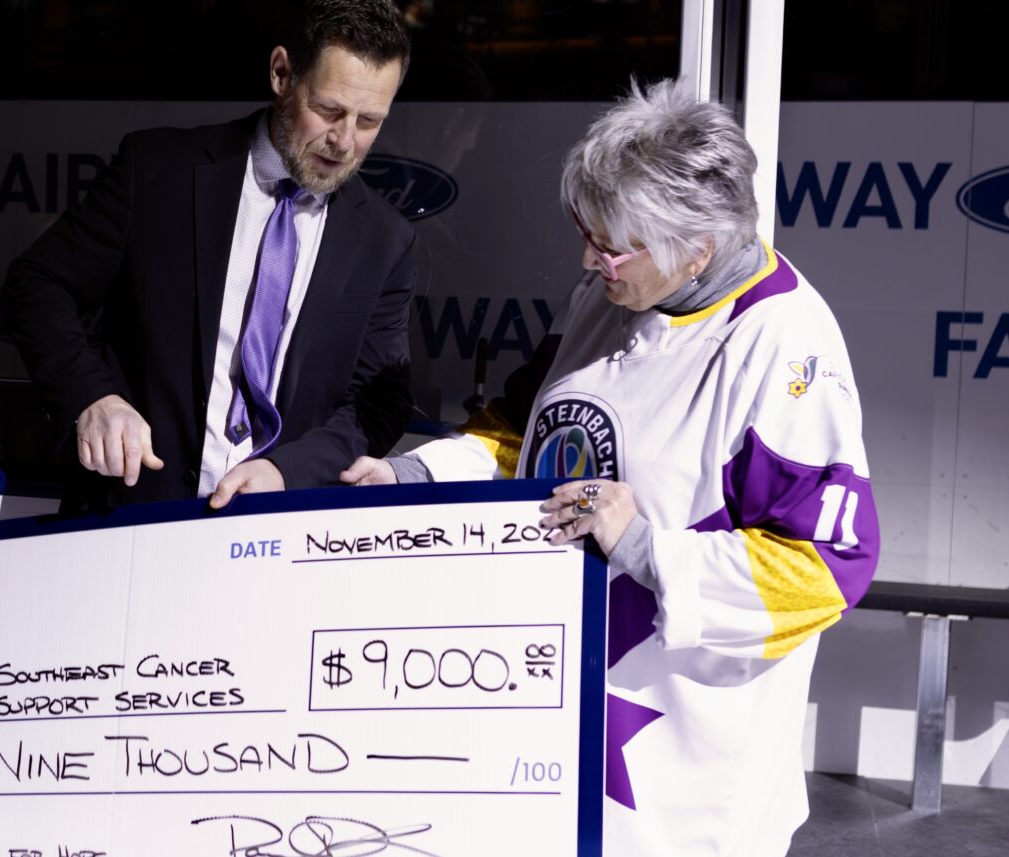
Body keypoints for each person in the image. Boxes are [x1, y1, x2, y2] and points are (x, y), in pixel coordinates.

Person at [341, 79, 879, 856]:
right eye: (585, 233)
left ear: (696, 247)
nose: (588, 260)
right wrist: (415, 477)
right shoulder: (607, 293)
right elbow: (520, 431)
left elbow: (827, 569)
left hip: (684, 783)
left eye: (611, 244)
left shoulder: (782, 345)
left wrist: (646, 547)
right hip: (548, 728)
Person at [5, 0, 416, 510]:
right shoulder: (157, 172)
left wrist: (287, 472)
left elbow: (381, 400)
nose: (344, 140)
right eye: (329, 110)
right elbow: (37, 283)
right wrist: (91, 396)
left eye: (369, 121)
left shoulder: (385, 240)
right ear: (282, 73)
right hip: (133, 512)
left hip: (281, 524)